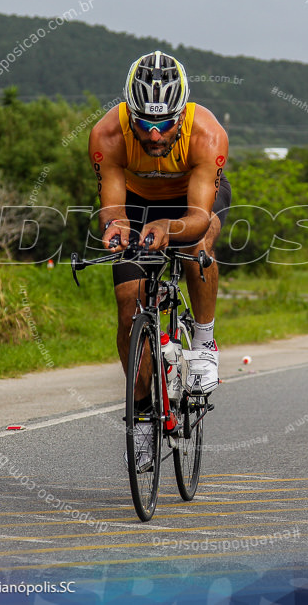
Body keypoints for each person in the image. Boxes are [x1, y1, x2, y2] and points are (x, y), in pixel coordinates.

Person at [89, 51, 230, 468]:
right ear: (128, 113)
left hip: (192, 202)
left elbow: (200, 217)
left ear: (181, 112)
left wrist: (170, 228)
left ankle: (204, 342)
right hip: (135, 201)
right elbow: (113, 207)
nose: (154, 136)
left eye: (165, 124)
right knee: (128, 302)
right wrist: (115, 227)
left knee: (198, 247)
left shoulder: (207, 133)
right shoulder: (107, 134)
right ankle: (142, 413)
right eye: (144, 124)